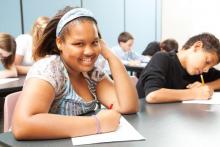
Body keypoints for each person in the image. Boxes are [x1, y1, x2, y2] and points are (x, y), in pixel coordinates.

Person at [12, 7, 139, 140]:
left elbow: (128, 106)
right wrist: (98, 123)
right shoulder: (49, 69)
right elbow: (22, 126)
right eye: (79, 44)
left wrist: (110, 56)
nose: (89, 51)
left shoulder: (91, 73)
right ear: (60, 43)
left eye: (94, 42)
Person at [136, 33, 220, 103]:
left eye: (210, 67)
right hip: (145, 118)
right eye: (207, 62)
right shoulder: (162, 58)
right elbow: (152, 95)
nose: (206, 70)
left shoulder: (199, 70)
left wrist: (206, 86)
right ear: (197, 47)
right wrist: (195, 93)